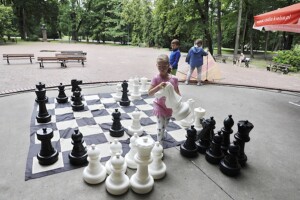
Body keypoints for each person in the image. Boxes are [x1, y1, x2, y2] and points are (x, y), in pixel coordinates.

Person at [148, 54, 181, 145]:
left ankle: (161, 137)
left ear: (169, 65)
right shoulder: (156, 78)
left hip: (169, 108)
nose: (162, 69)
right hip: (159, 106)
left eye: (164, 66)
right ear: (156, 66)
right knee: (160, 127)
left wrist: (179, 106)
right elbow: (149, 93)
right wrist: (158, 86)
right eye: (159, 67)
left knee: (164, 126)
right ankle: (159, 146)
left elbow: (178, 94)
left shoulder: (174, 79)